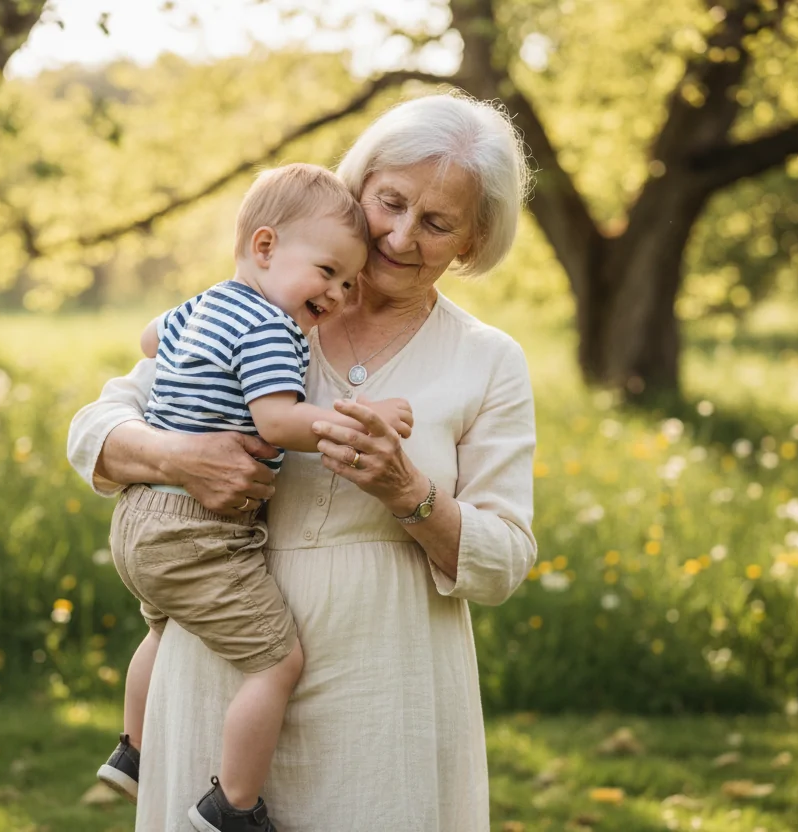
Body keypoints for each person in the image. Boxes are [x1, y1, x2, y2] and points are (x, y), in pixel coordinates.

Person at [69, 91, 537, 831]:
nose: (398, 235)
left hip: (388, 682)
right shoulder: (266, 301)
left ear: (473, 244)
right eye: (389, 201)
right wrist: (181, 457)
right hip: (221, 658)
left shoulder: (488, 361)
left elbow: (504, 559)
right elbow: (93, 430)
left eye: (437, 222)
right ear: (358, 186)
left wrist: (409, 492)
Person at [94, 163, 415, 832]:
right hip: (198, 529)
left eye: (349, 282)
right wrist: (360, 415)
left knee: (165, 627)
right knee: (277, 663)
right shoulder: (271, 328)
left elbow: (149, 340)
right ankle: (232, 805)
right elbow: (277, 421)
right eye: (327, 272)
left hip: (140, 517)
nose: (336, 292)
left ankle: (134, 751)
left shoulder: (207, 302)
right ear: (265, 247)